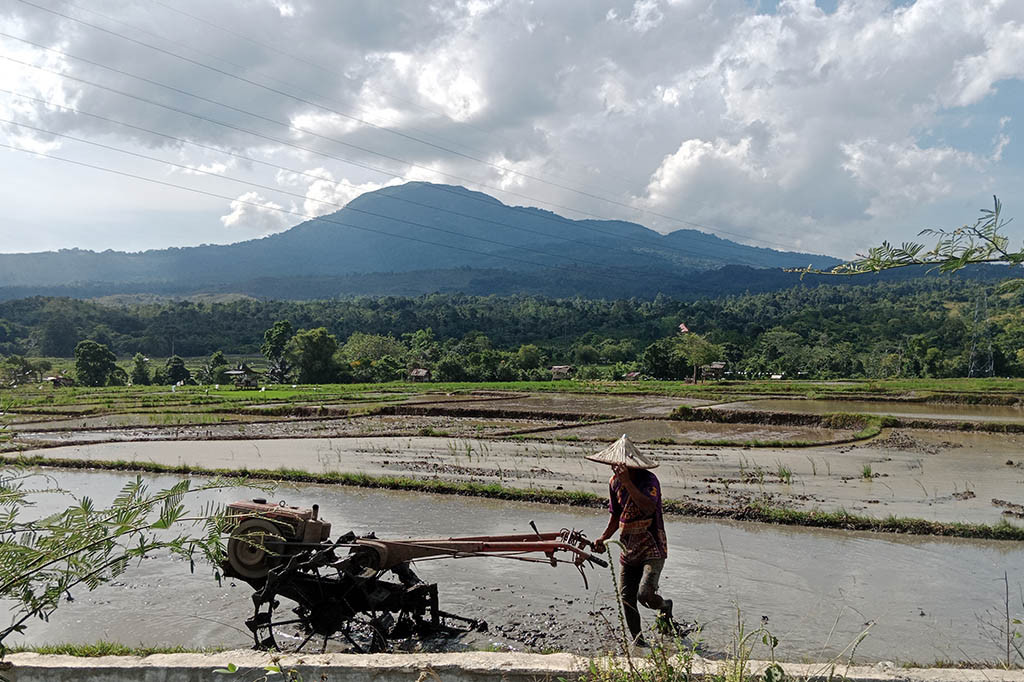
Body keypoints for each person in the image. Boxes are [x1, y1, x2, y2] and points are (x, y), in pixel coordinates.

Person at [593, 460, 672, 646]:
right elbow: (616, 515)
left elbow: (649, 508)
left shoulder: (649, 480)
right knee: (627, 598)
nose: (615, 469)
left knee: (644, 594)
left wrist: (627, 482)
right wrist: (603, 538)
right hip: (628, 547)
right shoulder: (614, 482)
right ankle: (639, 644)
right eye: (613, 465)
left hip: (652, 547)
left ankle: (665, 605)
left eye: (620, 466)